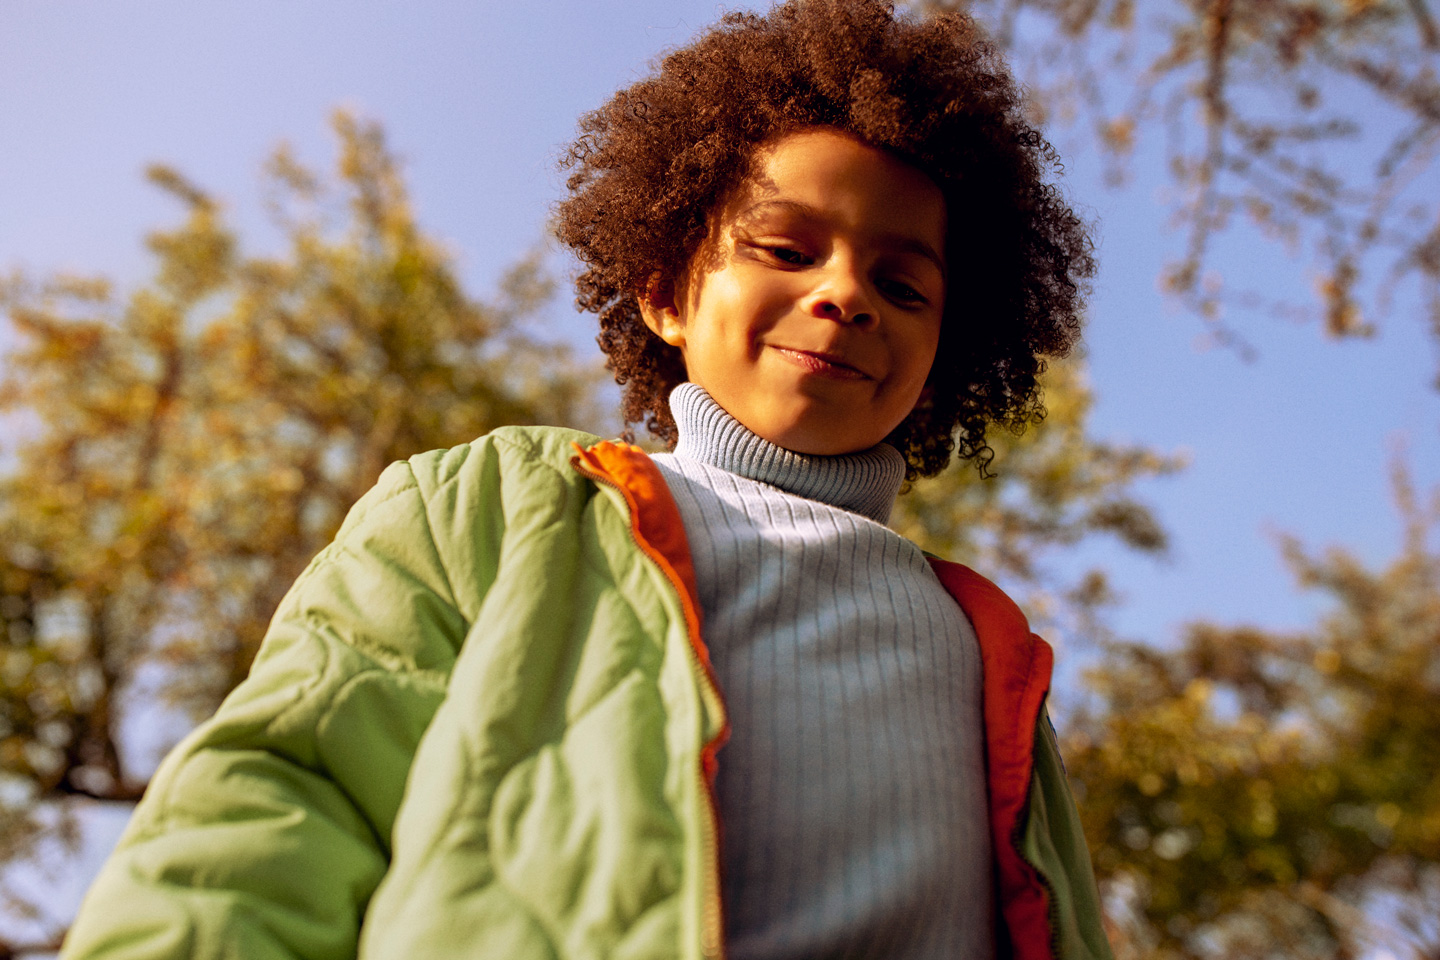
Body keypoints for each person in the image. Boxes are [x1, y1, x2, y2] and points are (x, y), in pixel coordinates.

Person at [61, 1, 1112, 958]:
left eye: (903, 282)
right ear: (663, 292)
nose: (845, 293)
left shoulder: (988, 645)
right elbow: (289, 789)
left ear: (945, 358)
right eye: (787, 249)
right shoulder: (490, 507)